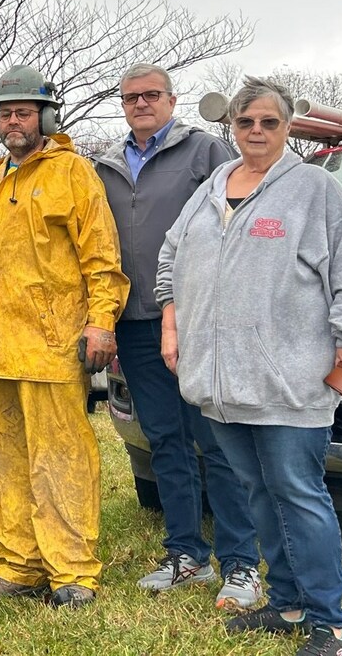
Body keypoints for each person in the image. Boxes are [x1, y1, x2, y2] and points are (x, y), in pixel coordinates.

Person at [157, 78, 342, 656]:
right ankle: (286, 603)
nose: (256, 131)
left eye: (268, 122)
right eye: (245, 122)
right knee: (257, 491)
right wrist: (171, 322)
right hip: (221, 380)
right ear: (231, 127)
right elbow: (171, 254)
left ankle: (329, 623)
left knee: (297, 492)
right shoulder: (211, 187)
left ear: (287, 128)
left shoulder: (315, 188)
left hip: (290, 378)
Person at [89, 64, 263, 609]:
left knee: (216, 439)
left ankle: (240, 564)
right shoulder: (105, 167)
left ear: (171, 99)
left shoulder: (205, 152)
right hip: (133, 323)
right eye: (130, 97)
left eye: (151, 95)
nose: (141, 104)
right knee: (164, 438)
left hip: (196, 319)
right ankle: (186, 554)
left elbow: (238, 223)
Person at [0, 64, 127, 609]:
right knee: (4, 459)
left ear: (46, 117)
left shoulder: (73, 174)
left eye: (24, 113)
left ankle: (73, 570)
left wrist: (101, 321)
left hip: (53, 347)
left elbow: (101, 256)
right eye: (5, 114)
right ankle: (19, 565)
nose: (14, 122)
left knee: (60, 458)